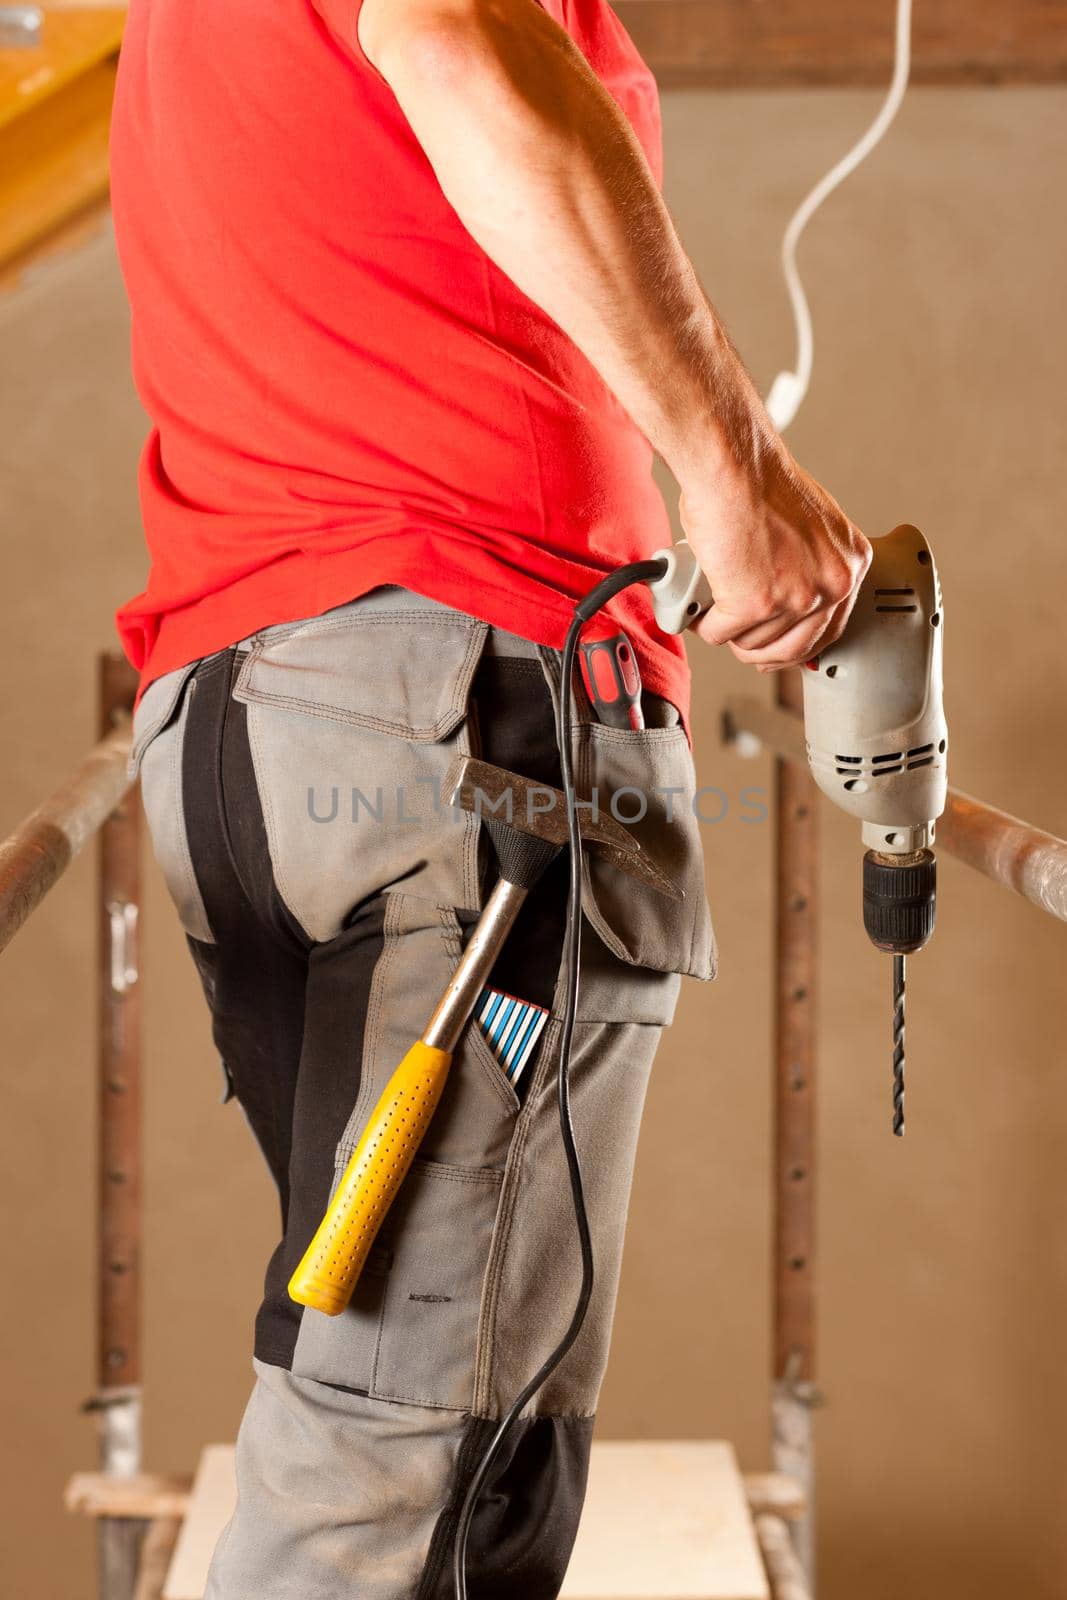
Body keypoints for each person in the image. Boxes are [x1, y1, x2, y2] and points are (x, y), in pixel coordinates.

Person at [110, 0, 870, 1593]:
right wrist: (737, 477)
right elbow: (457, 37)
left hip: (278, 722)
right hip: (456, 716)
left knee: (429, 1425)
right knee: (407, 1468)